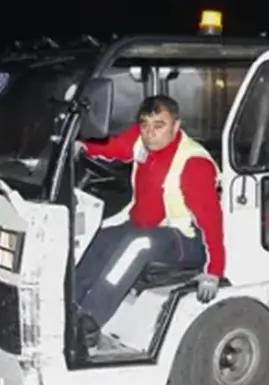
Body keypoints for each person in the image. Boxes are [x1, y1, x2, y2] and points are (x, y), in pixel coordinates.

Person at [72, 94, 224, 345]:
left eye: (159, 125)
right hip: (144, 228)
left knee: (139, 244)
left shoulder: (193, 163)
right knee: (102, 236)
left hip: (184, 239)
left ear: (176, 126)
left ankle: (89, 320)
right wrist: (83, 146)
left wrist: (214, 270)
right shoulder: (141, 139)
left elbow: (211, 220)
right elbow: (116, 148)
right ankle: (69, 303)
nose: (150, 133)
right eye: (145, 125)